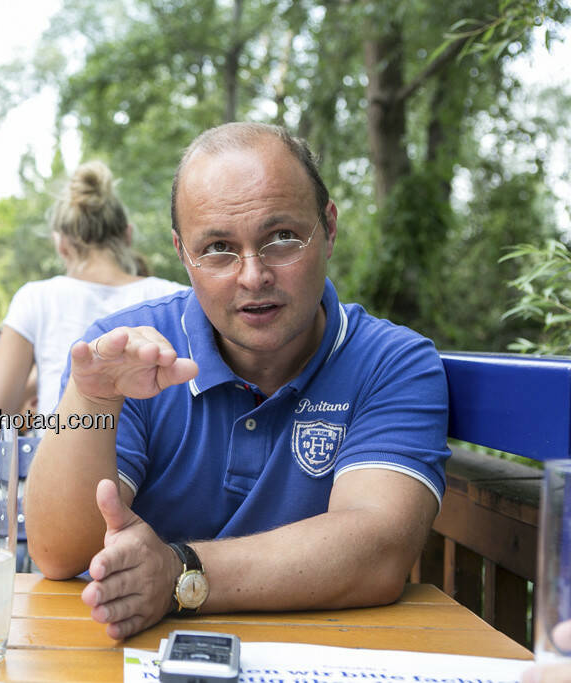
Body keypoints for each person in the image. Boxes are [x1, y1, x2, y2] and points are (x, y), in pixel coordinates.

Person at [24, 122, 450, 640]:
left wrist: (178, 573)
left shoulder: (393, 362)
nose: (253, 275)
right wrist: (93, 396)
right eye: (219, 248)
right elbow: (59, 552)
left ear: (329, 229)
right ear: (183, 255)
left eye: (282, 239)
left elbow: (378, 549)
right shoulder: (123, 352)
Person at [0, 160, 186, 418]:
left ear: (61, 244)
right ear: (127, 236)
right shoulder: (175, 298)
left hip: (60, 454)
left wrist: (37, 380)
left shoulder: (36, 299)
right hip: (158, 459)